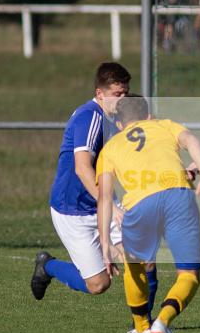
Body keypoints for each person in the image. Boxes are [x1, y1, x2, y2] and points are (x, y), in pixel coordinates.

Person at [30, 63, 157, 304]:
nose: (122, 100)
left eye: (125, 93)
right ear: (100, 93)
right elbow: (82, 167)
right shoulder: (90, 117)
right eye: (117, 94)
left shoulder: (117, 118)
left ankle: (144, 322)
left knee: (143, 260)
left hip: (105, 201)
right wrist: (111, 206)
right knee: (99, 284)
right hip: (74, 209)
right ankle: (48, 266)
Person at [97, 96, 200, 333]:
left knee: (134, 266)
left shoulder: (110, 148)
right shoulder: (164, 125)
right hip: (178, 195)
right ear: (149, 116)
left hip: (139, 204)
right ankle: (162, 321)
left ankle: (142, 330)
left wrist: (105, 243)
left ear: (119, 125)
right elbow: (191, 139)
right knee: (189, 274)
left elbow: (104, 197)